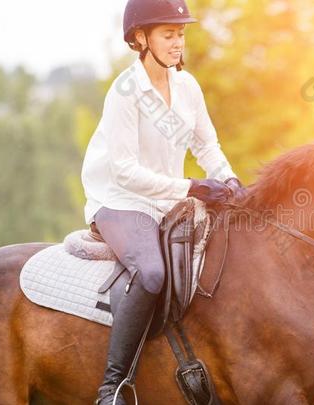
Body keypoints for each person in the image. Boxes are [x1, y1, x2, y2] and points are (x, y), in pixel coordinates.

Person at [80, 1, 246, 403]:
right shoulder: (125, 92)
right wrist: (190, 187)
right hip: (120, 200)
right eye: (168, 34)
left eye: (181, 34)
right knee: (152, 273)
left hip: (168, 200)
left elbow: (206, 144)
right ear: (140, 38)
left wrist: (229, 179)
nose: (177, 42)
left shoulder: (187, 86)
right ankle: (113, 387)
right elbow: (124, 171)